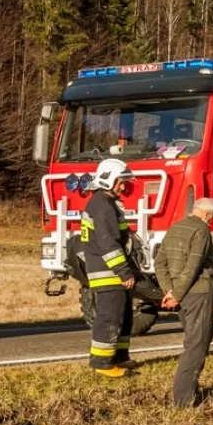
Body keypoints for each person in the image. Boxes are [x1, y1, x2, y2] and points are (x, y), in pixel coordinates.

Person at [156, 198, 213, 408]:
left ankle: (189, 388)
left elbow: (160, 262)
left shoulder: (174, 227)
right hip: (198, 293)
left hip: (180, 295)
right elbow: (193, 266)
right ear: (208, 215)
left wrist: (169, 290)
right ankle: (183, 399)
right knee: (197, 344)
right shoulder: (202, 230)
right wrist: (176, 294)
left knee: (201, 336)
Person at [81, 159, 137, 378]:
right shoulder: (102, 206)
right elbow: (109, 244)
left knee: (123, 315)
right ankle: (102, 363)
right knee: (110, 317)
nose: (124, 187)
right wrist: (123, 272)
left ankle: (119, 357)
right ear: (107, 180)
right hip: (108, 272)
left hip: (109, 270)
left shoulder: (103, 203)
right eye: (121, 182)